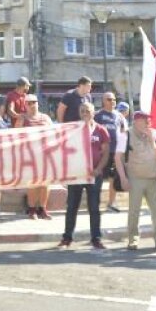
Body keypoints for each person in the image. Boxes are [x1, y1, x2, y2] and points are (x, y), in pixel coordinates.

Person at [57, 101, 109, 250]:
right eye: (82, 111)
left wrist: (99, 169)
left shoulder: (101, 130)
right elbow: (66, 150)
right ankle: (67, 238)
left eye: (87, 111)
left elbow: (105, 153)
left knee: (94, 208)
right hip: (77, 175)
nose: (85, 113)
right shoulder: (73, 130)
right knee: (72, 207)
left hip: (94, 175)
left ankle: (96, 239)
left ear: (93, 113)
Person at [115, 111, 156, 251]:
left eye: (148, 120)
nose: (148, 123)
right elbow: (117, 157)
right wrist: (123, 178)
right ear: (137, 121)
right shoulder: (125, 135)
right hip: (135, 178)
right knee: (134, 211)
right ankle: (133, 240)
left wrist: (153, 139)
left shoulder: (153, 133)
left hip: (154, 178)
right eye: (145, 120)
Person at [20, 94, 54, 219]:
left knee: (45, 183)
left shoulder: (45, 118)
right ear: (25, 105)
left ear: (38, 103)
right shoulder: (22, 118)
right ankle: (32, 209)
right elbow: (15, 136)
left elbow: (54, 133)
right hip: (29, 155)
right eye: (28, 103)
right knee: (32, 183)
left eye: (34, 102)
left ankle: (43, 209)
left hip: (45, 155)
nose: (31, 105)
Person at [94, 91, 126, 213]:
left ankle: (111, 204)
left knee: (113, 178)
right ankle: (94, 204)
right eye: (109, 99)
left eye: (113, 99)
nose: (112, 101)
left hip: (116, 152)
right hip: (102, 152)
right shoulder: (97, 115)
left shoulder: (119, 116)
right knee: (99, 177)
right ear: (103, 101)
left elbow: (124, 132)